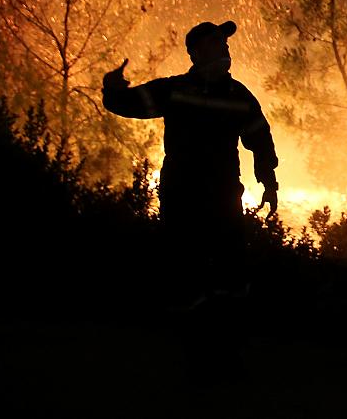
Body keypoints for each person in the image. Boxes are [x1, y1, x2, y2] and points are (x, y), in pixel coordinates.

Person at [102, 19, 278, 304]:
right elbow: (126, 103)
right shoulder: (174, 91)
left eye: (224, 42)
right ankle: (190, 330)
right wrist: (112, 90)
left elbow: (260, 141)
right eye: (215, 42)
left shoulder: (239, 96)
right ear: (195, 53)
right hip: (182, 199)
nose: (224, 46)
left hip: (223, 198)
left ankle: (224, 330)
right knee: (185, 276)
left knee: (229, 276)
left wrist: (270, 183)